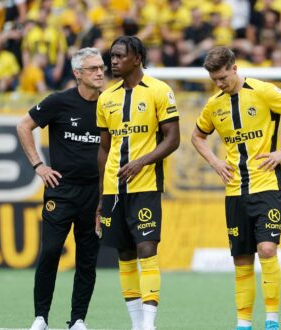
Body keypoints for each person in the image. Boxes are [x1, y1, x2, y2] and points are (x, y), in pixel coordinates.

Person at [191, 46, 281, 330]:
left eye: (223, 77)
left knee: (268, 249)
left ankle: (271, 320)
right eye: (215, 80)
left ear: (235, 68)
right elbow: (197, 136)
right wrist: (214, 162)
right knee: (242, 258)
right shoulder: (214, 104)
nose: (219, 84)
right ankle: (244, 323)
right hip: (235, 190)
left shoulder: (263, 91)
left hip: (267, 185)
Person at [17, 47, 105, 330]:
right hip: (61, 191)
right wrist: (38, 166)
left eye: (101, 66)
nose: (100, 72)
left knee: (87, 259)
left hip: (95, 193)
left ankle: (78, 319)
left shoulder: (109, 104)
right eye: (93, 68)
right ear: (77, 74)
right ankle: (41, 317)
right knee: (51, 251)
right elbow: (23, 126)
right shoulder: (59, 101)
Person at [96, 35, 180, 330]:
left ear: (137, 58)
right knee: (125, 252)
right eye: (112, 56)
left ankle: (149, 323)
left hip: (145, 185)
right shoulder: (106, 97)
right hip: (113, 189)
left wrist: (141, 161)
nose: (113, 61)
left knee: (147, 247)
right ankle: (136, 323)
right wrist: (99, 198)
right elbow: (104, 149)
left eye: (120, 56)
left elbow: (173, 139)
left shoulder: (159, 90)